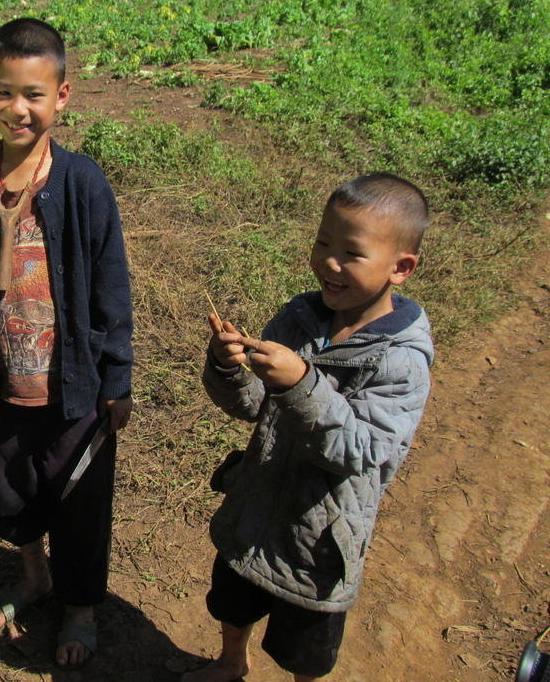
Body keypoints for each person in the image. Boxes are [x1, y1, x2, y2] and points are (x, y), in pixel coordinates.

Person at [0, 17, 133, 668]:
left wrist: (117, 377)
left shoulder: (82, 183)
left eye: (34, 94)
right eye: (4, 93)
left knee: (80, 502)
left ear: (62, 96)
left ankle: (80, 607)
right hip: (2, 380)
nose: (18, 108)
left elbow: (111, 285)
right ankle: (35, 575)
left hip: (74, 389)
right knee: (11, 489)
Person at [184, 173, 434, 682]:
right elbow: (255, 405)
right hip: (255, 509)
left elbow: (360, 451)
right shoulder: (299, 318)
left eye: (352, 253)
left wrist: (300, 383)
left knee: (305, 650)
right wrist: (230, 367)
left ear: (401, 268)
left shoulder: (400, 361)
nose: (329, 262)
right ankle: (232, 661)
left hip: (319, 539)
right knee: (233, 601)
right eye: (323, 243)